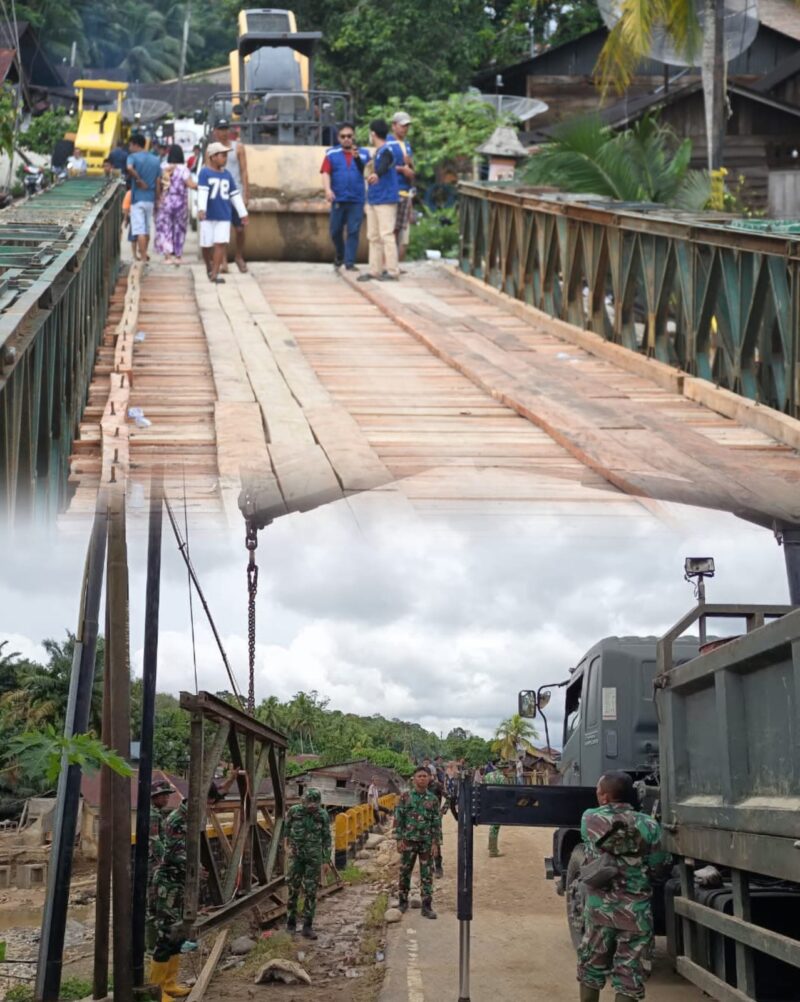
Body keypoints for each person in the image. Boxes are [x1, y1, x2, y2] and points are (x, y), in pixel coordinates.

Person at [577, 771, 665, 1002]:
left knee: (591, 967)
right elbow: (659, 867)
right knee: (629, 976)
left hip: (599, 911)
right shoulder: (650, 824)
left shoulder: (590, 818)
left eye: (598, 792)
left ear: (605, 797)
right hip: (636, 913)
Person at [150, 777, 239, 999]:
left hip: (180, 884)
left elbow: (218, 792)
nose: (210, 808)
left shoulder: (191, 816)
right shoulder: (176, 820)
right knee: (165, 935)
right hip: (168, 884)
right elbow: (170, 853)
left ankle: (169, 983)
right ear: (200, 800)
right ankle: (156, 990)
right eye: (209, 803)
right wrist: (195, 867)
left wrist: (232, 778)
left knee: (178, 933)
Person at [197, 142, 249, 284]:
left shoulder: (227, 175)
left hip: (224, 215)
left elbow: (234, 195)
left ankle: (214, 273)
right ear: (213, 157)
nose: (225, 158)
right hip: (208, 215)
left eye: (226, 156)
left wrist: (242, 213)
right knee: (206, 244)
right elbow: (202, 192)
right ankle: (209, 266)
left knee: (220, 243)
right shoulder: (205, 173)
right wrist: (201, 209)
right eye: (222, 155)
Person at [320, 122, 368, 271]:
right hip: (338, 198)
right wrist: (328, 189)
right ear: (338, 138)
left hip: (356, 199)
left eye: (349, 136)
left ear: (354, 137)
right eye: (343, 136)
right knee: (335, 231)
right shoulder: (331, 154)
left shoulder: (364, 154)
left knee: (353, 231)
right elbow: (325, 172)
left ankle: (349, 262)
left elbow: (369, 173)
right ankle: (340, 253)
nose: (346, 139)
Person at [394, 765, 441, 919]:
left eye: (424, 776)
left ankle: (426, 906)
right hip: (408, 841)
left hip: (426, 842)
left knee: (427, 874)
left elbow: (436, 822)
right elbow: (398, 819)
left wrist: (436, 843)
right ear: (413, 779)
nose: (422, 778)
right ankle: (402, 902)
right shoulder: (405, 797)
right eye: (419, 776)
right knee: (405, 872)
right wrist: (399, 839)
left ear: (429, 779)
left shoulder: (433, 799)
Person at [285, 788, 331, 939]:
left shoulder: (322, 815)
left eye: (313, 804)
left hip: (313, 858)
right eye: (308, 803)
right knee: (293, 888)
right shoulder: (294, 811)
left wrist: (326, 861)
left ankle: (307, 926)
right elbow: (285, 830)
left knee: (311, 891)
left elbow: (326, 839)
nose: (310, 806)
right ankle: (290, 923)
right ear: (303, 801)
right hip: (296, 857)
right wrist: (286, 847)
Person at [357, 119, 400, 283]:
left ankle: (392, 271)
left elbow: (384, 164)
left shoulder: (387, 150)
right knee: (373, 236)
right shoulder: (378, 152)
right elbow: (370, 169)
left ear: (372, 134)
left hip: (385, 198)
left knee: (386, 235)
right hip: (374, 198)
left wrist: (378, 174)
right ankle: (375, 270)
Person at [208, 119, 249, 273]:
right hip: (219, 194)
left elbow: (244, 170)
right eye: (220, 129)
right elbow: (208, 170)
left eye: (226, 128)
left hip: (235, 192)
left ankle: (238, 256)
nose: (224, 132)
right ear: (215, 131)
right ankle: (223, 261)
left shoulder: (238, 147)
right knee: (221, 229)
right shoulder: (211, 150)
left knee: (239, 228)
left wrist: (246, 193)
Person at [146, 780, 176, 954]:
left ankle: (151, 943)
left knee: (154, 903)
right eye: (164, 795)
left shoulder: (155, 813)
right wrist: (166, 861)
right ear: (155, 797)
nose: (166, 799)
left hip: (154, 864)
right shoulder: (153, 815)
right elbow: (155, 841)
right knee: (154, 904)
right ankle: (151, 946)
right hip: (154, 865)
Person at [155, 145, 197, 265]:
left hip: (165, 201)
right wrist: (201, 187)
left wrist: (159, 198)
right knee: (180, 229)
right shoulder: (183, 169)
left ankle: (167, 257)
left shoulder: (163, 166)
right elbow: (190, 184)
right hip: (180, 203)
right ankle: (178, 257)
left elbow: (158, 183)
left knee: (165, 228)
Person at [126, 133, 161, 262]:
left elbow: (129, 168)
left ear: (135, 144)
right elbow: (158, 181)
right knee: (147, 229)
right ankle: (144, 254)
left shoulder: (132, 157)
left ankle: (143, 257)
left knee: (140, 230)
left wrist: (138, 178)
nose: (129, 148)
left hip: (137, 199)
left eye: (130, 145)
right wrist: (157, 198)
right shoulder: (155, 159)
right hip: (150, 199)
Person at [387, 111, 416, 261]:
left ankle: (396, 263)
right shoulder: (388, 143)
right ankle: (388, 263)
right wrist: (402, 169)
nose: (405, 129)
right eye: (402, 126)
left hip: (406, 190)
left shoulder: (407, 145)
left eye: (407, 126)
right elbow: (382, 166)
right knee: (391, 229)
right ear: (394, 126)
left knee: (400, 229)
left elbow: (411, 166)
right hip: (393, 190)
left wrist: (410, 166)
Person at [483, 764, 507, 857]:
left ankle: (491, 847)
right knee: (495, 827)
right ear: (504, 769)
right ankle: (493, 850)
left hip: (488, 803)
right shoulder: (502, 778)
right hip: (498, 804)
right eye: (507, 768)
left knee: (492, 826)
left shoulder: (488, 775)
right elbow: (504, 793)